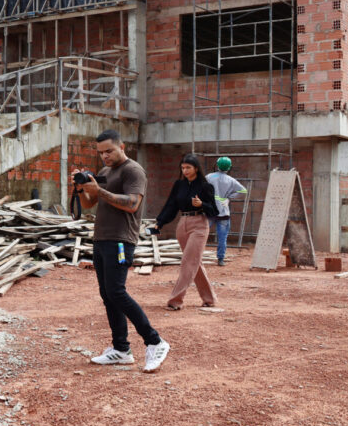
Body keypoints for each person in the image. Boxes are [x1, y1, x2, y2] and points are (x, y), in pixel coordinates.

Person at [73, 130, 170, 373]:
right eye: (101, 152)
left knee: (117, 291)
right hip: (102, 238)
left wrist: (100, 191)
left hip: (120, 240)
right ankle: (121, 349)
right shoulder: (105, 172)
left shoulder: (133, 170)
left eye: (109, 151)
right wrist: (80, 188)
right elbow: (89, 204)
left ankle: (155, 341)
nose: (104, 156)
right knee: (107, 294)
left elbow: (132, 203)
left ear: (122, 147)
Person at [151, 154, 218, 310]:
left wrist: (202, 204)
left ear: (196, 168)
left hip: (199, 224)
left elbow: (214, 210)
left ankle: (175, 300)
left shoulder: (205, 186)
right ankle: (210, 299)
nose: (185, 170)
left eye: (188, 167)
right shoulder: (179, 185)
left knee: (188, 262)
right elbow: (171, 206)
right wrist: (159, 223)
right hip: (183, 224)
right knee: (195, 263)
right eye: (183, 168)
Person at [206, 157, 247, 266]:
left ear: (217, 166)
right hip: (223, 212)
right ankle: (220, 259)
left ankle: (195, 257)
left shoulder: (209, 177)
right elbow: (243, 190)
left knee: (201, 235)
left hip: (209, 211)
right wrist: (229, 197)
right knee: (222, 238)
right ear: (229, 168)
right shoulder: (231, 180)